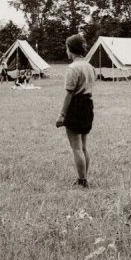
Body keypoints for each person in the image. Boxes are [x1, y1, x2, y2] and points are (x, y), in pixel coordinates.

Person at [55, 34, 96, 188]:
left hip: (76, 106)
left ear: (70, 49)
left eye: (66, 48)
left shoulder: (72, 68)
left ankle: (82, 180)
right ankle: (84, 177)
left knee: (76, 147)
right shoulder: (89, 66)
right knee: (83, 146)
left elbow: (69, 93)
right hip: (88, 105)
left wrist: (62, 114)